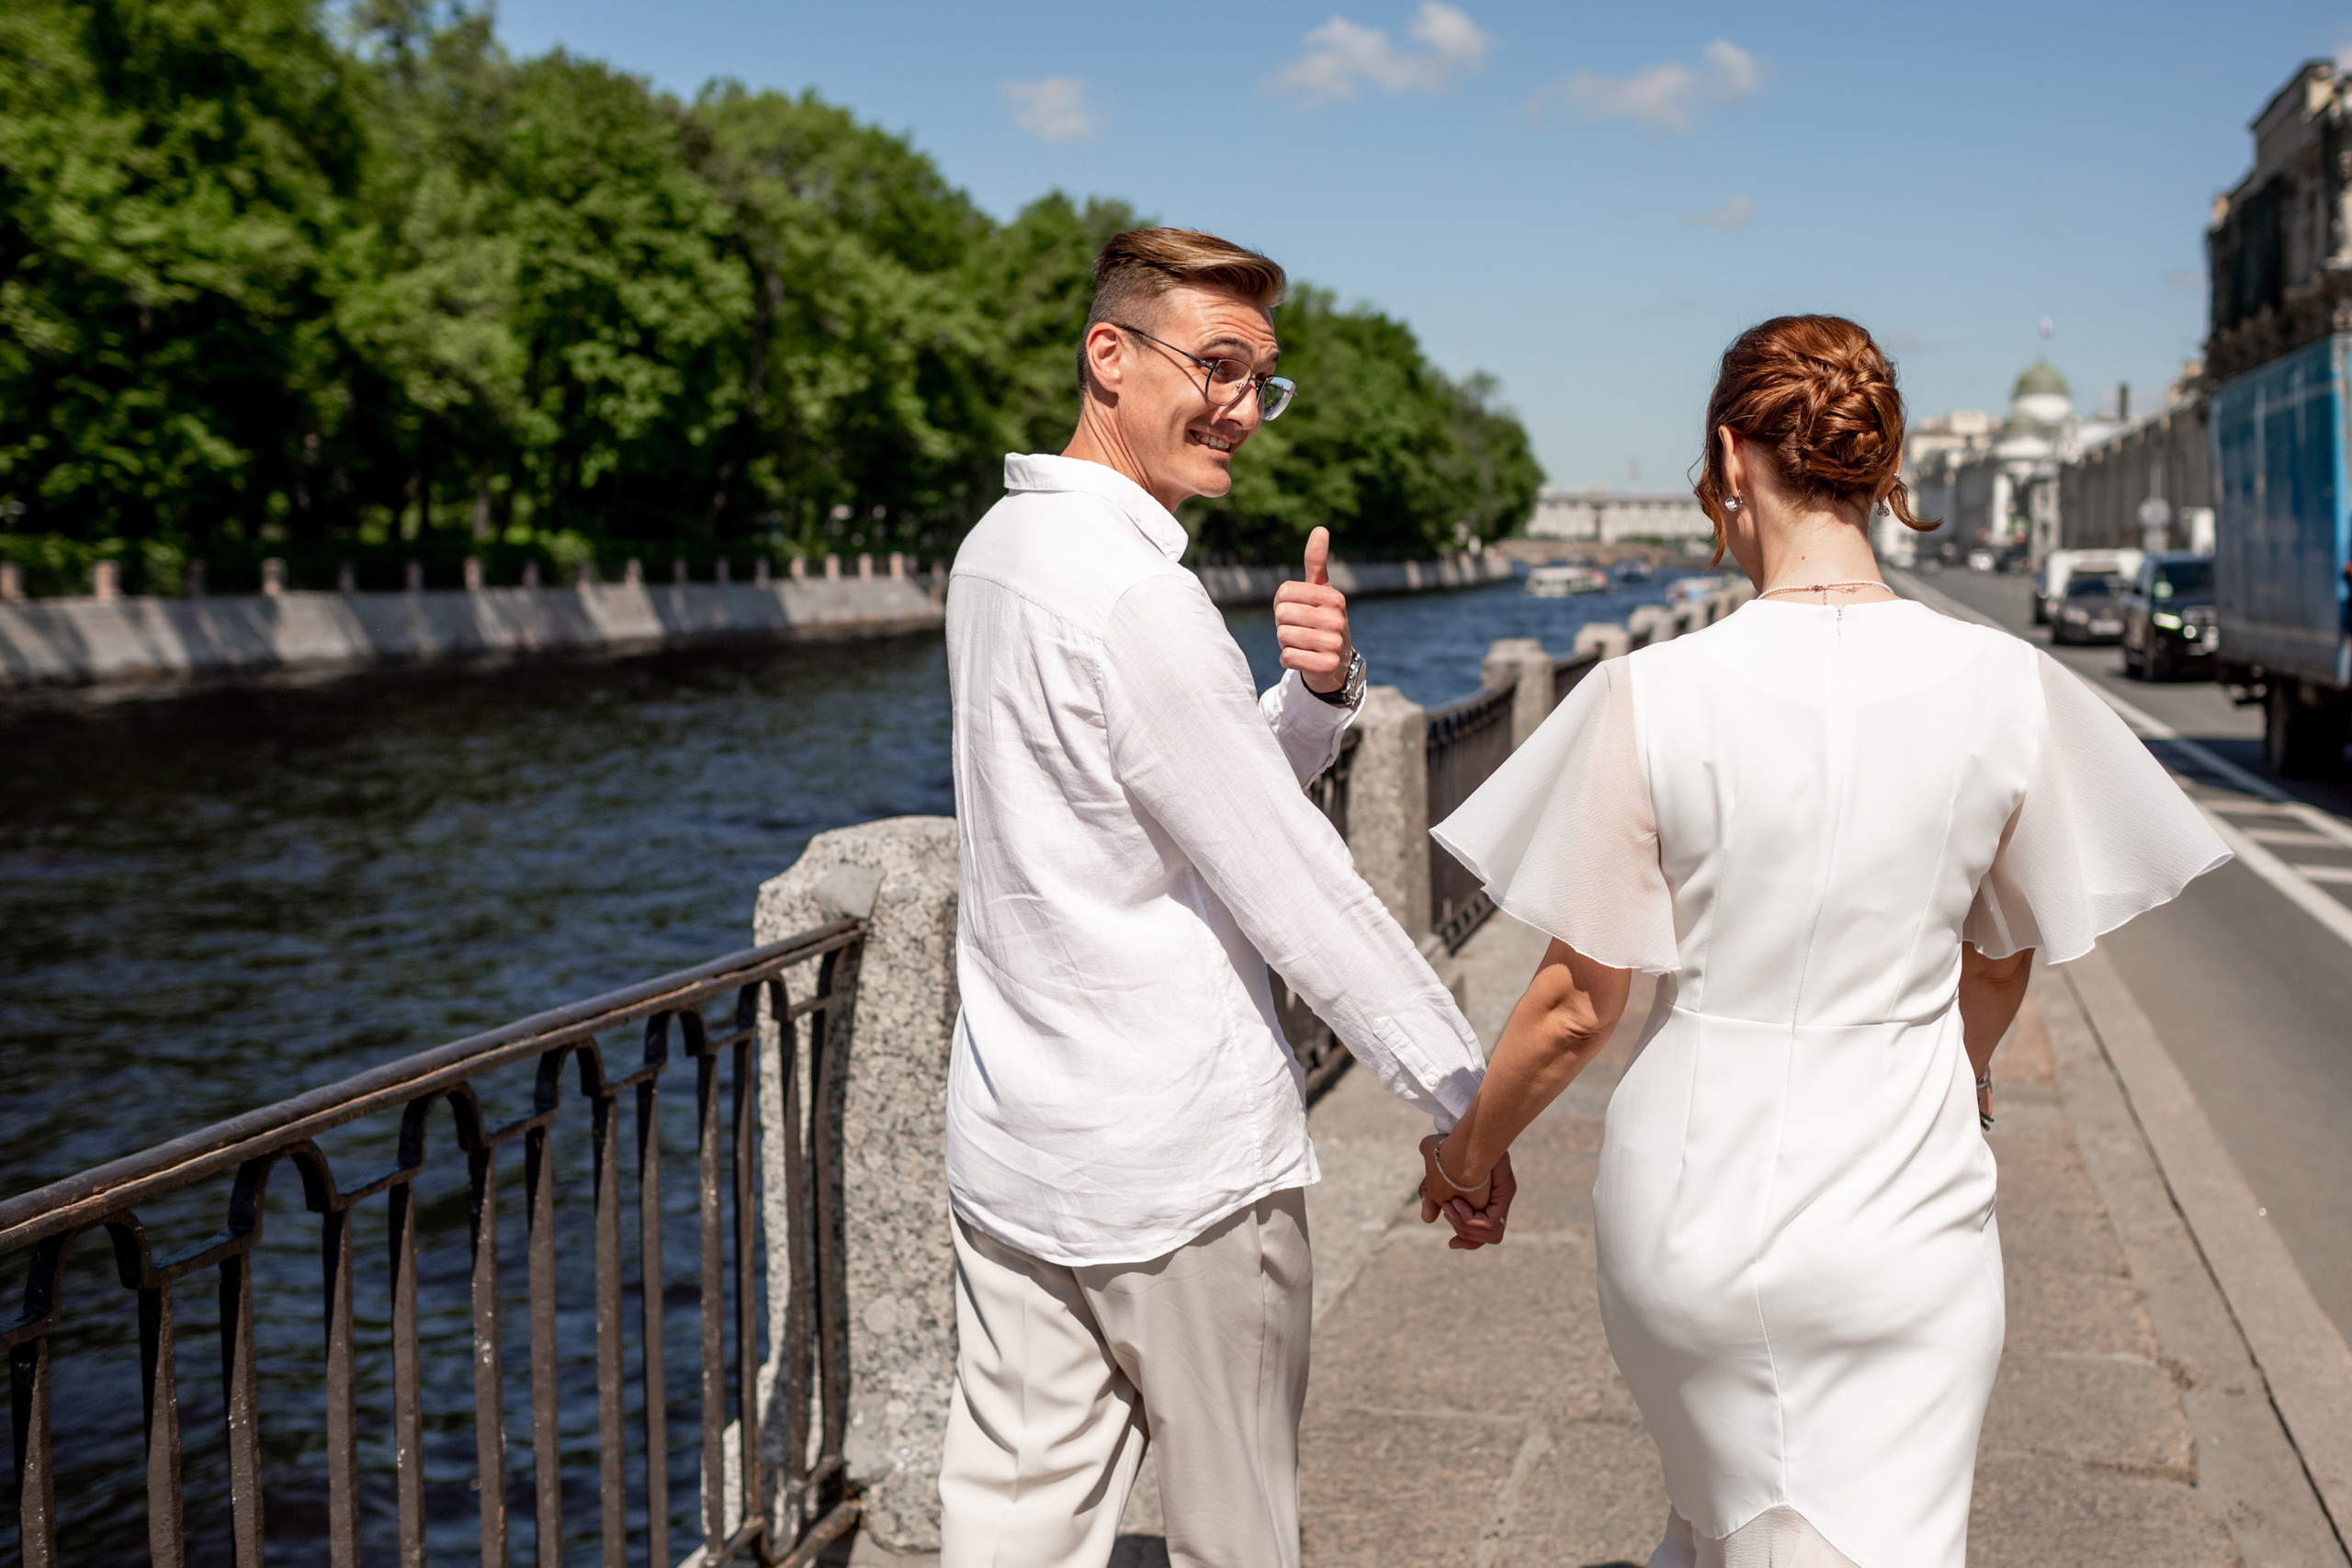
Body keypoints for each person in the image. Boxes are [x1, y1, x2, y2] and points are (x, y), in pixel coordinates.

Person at [1420, 315, 2229, 1568]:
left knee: (1726, 1514)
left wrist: (1468, 1155)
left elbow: (1578, 1005)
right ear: (1886, 469)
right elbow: (2002, 958)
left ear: (1732, 459)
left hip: (1697, 1201)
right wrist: (1953, 1074)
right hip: (1909, 1210)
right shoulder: (2008, 686)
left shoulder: (1653, 694)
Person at [937, 227, 1495, 1568]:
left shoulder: (997, 549)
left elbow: (1158, 808)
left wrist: (1310, 702)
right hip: (1180, 1173)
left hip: (1018, 1150)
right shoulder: (1140, 595)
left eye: (1264, 379)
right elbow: (1297, 889)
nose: (1244, 409)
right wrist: (1468, 1107)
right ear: (1109, 356)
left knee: (1011, 1531)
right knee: (1237, 1538)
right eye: (1220, 366)